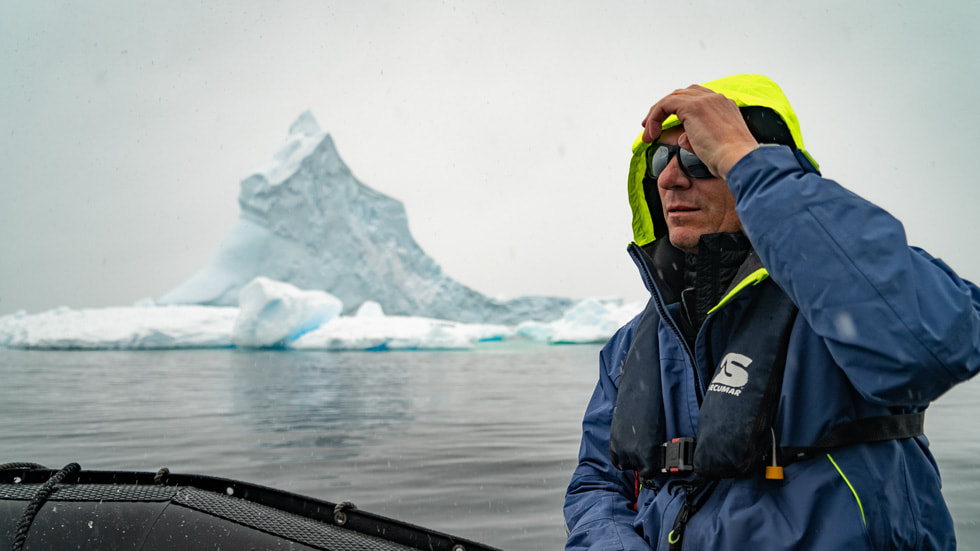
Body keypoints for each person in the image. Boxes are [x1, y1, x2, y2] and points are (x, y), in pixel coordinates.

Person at [563, 74, 980, 550]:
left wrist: (746, 161)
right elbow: (597, 484)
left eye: (699, 158)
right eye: (661, 159)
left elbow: (934, 346)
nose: (670, 179)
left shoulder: (844, 302)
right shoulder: (630, 346)